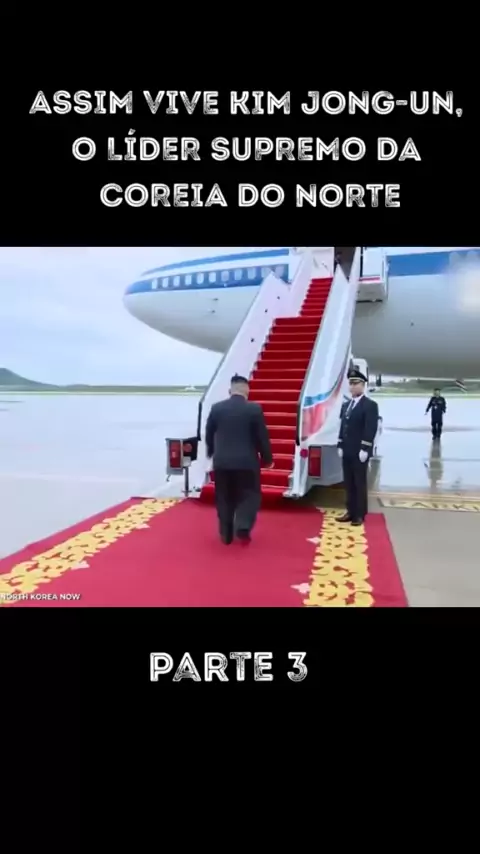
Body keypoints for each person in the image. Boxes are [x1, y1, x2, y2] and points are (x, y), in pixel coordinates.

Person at [205, 374, 273, 545]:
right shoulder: (254, 409)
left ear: (230, 391)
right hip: (246, 462)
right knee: (250, 494)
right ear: (247, 391)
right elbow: (262, 437)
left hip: (222, 462)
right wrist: (267, 459)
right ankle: (243, 525)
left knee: (224, 496)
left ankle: (226, 533)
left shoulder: (216, 408)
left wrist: (211, 452)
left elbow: (209, 433)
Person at [336, 368, 379, 526]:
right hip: (347, 450)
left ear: (363, 385)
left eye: (356, 384)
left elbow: (370, 428)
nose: (352, 387)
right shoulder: (346, 405)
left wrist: (365, 448)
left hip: (359, 451)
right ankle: (350, 511)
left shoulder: (370, 405)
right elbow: (343, 426)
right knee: (348, 482)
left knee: (359, 483)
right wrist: (340, 443)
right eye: (351, 384)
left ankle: (359, 514)